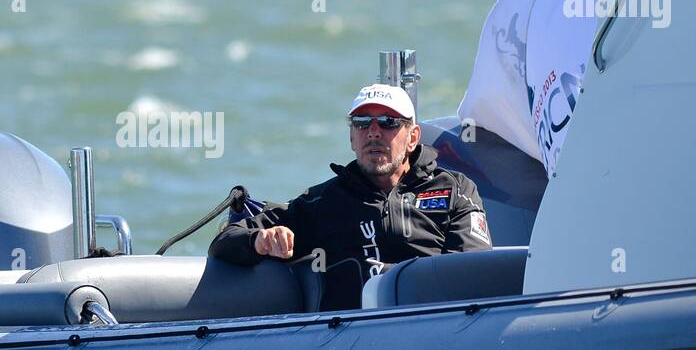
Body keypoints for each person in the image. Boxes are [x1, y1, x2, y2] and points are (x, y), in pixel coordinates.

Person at [209, 83, 493, 311]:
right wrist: (259, 241)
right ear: (351, 138)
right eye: (361, 122)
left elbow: (470, 274)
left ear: (413, 137)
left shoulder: (456, 189)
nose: (373, 132)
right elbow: (223, 243)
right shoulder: (324, 202)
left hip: (435, 329)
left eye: (388, 122)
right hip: (352, 344)